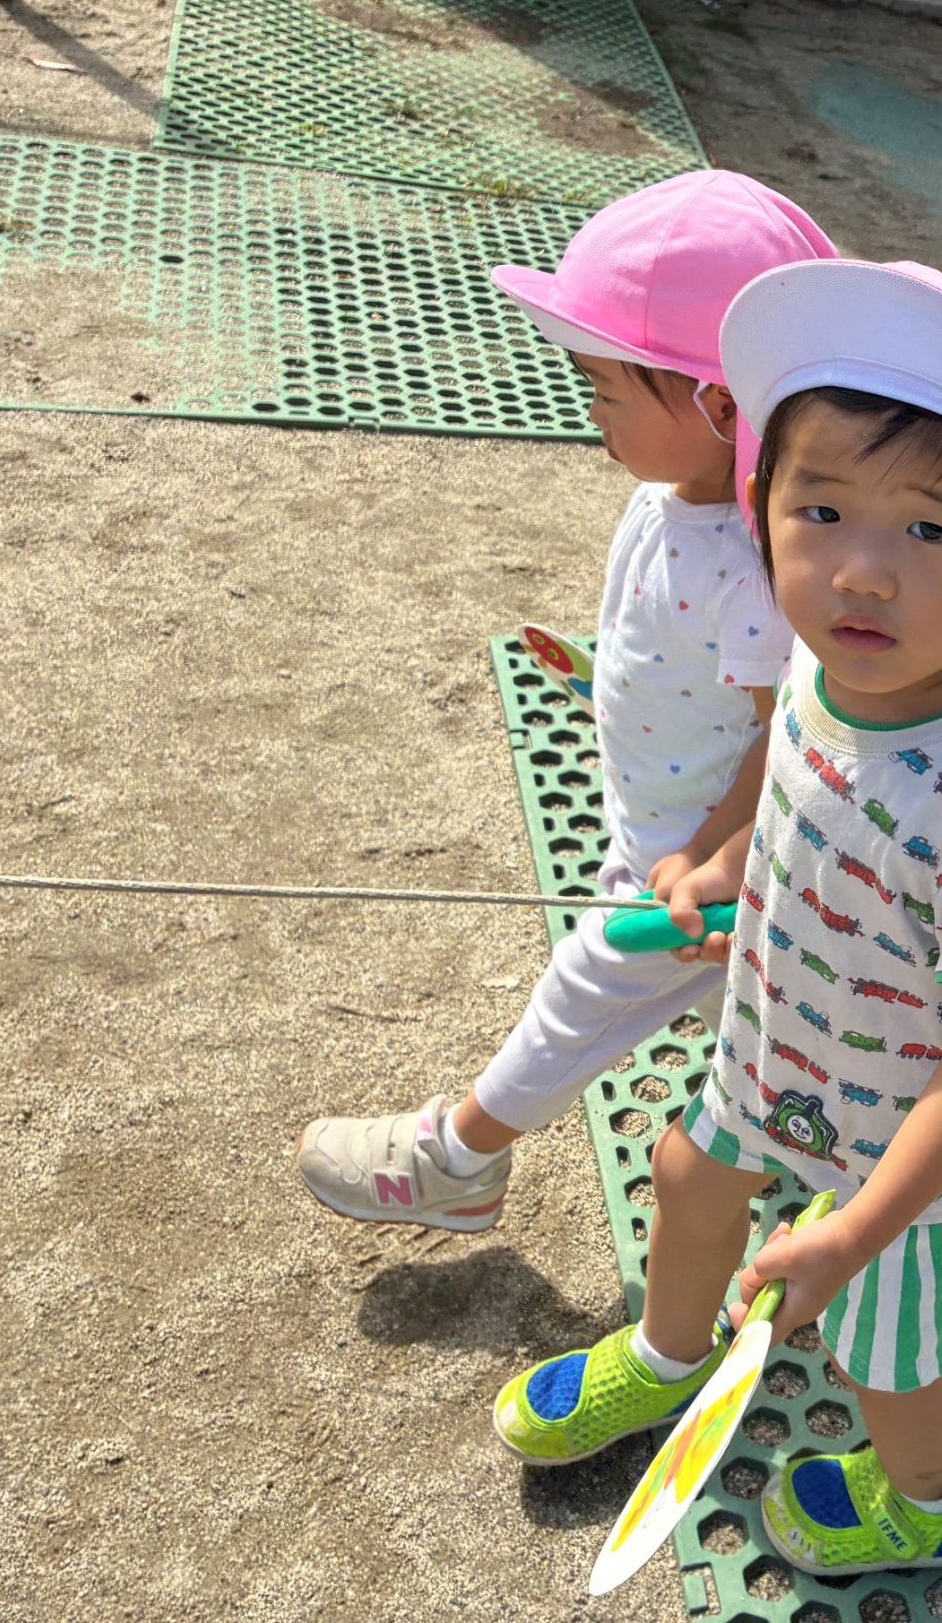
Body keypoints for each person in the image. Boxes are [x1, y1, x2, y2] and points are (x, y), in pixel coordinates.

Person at [492, 260, 942, 1582]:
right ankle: (666, 1356)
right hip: (778, 1051)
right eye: (819, 509)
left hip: (911, 1151)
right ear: (760, 502)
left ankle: (934, 1502)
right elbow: (790, 784)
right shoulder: (829, 663)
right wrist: (723, 866)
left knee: (891, 1356)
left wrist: (859, 1226)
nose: (860, 573)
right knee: (689, 1175)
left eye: (929, 529)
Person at [294, 170, 836, 1230]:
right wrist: (609, 671)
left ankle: (456, 1159)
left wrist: (712, 858)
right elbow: (687, 656)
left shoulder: (756, 567)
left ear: (720, 405)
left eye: (604, 387)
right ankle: (821, 1148)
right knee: (765, 1012)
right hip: (674, 839)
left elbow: (786, 737)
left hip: (694, 868)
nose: (588, 409)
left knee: (587, 986)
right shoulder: (668, 499)